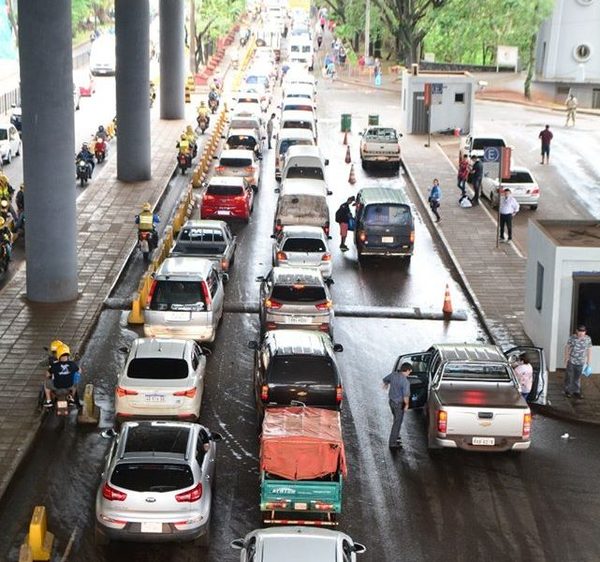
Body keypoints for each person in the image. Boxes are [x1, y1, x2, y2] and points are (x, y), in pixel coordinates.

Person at [382, 362, 412, 449]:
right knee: (397, 423)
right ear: (407, 370)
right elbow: (406, 396)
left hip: (391, 402)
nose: (410, 373)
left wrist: (386, 384)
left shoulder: (393, 375)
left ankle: (396, 436)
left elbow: (385, 379)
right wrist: (407, 405)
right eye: (410, 371)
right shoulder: (405, 382)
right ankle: (392, 443)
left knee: (396, 419)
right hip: (399, 404)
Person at [564, 324, 592, 399]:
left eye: (583, 331)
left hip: (581, 362)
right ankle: (568, 391)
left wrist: (588, 362)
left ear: (585, 332)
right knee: (569, 376)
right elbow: (567, 347)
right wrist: (566, 358)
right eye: (579, 331)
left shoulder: (588, 339)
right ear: (577, 331)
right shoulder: (572, 338)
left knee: (577, 377)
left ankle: (576, 391)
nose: (581, 333)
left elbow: (589, 350)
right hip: (572, 360)